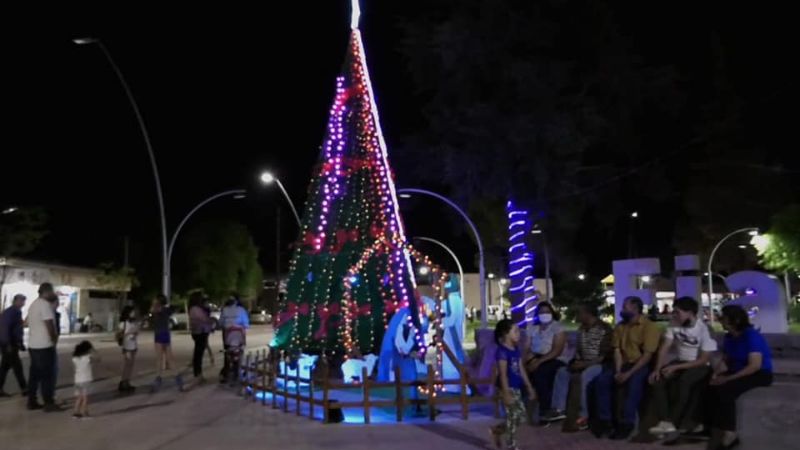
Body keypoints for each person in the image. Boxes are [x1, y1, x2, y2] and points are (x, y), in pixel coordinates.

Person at [592, 296, 660, 440]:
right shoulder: (620, 326)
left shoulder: (649, 327)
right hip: (623, 364)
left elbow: (647, 356)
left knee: (634, 385)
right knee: (602, 381)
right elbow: (617, 351)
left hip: (640, 364)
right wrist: (618, 371)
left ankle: (627, 424)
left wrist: (628, 374)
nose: (622, 310)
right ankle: (606, 421)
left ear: (635, 309)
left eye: (625, 307)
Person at [706, 305, 773, 450]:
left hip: (758, 373)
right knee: (709, 385)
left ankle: (730, 434)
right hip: (737, 370)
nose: (720, 321)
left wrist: (727, 379)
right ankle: (709, 426)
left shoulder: (751, 336)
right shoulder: (729, 337)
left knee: (726, 390)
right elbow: (726, 359)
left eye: (723, 318)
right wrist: (716, 374)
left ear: (735, 320)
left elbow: (754, 365)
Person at [648, 297, 717, 436]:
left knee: (684, 382)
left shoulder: (704, 329)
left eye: (677, 312)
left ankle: (673, 422)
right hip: (680, 362)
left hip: (699, 364)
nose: (674, 315)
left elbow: (703, 360)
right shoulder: (674, 324)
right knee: (657, 380)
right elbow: (664, 348)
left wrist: (675, 368)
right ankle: (665, 421)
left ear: (690, 313)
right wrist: (657, 369)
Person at [549, 303, 612, 430]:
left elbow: (605, 356)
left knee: (586, 375)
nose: (578, 316)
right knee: (562, 372)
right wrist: (575, 363)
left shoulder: (604, 329)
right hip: (583, 362)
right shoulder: (581, 329)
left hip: (599, 364)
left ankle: (584, 416)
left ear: (588, 314)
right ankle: (559, 409)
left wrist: (585, 364)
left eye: (580, 313)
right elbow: (578, 351)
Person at [490, 319, 536, 450]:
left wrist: (529, 386)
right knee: (512, 417)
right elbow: (503, 374)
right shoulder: (502, 352)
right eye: (515, 331)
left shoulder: (516, 349)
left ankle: (497, 430)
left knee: (521, 417)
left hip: (517, 388)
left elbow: (520, 368)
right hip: (507, 388)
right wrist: (505, 393)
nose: (518, 334)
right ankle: (511, 445)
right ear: (506, 334)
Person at [524, 302, 568, 419]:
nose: (545, 314)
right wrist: (528, 361)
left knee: (541, 372)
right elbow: (526, 348)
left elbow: (556, 351)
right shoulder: (532, 328)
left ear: (552, 313)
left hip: (554, 358)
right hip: (534, 357)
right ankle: (522, 408)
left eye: (547, 312)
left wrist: (538, 362)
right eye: (542, 312)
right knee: (520, 371)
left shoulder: (558, 328)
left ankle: (545, 410)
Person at [25, 283, 62, 412]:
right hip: (44, 345)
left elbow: (26, 322)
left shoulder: (33, 305)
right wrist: (54, 338)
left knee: (34, 375)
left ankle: (32, 401)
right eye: (52, 291)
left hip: (33, 345)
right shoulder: (45, 305)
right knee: (47, 375)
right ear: (46, 292)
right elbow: (49, 324)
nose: (53, 293)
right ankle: (49, 403)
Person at [0, 294, 28, 397]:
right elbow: (5, 328)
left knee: (4, 367)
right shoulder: (10, 312)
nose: (23, 303)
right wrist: (7, 344)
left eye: (24, 301)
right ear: (15, 301)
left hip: (12, 343)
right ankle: (24, 388)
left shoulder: (16, 312)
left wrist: (20, 343)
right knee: (17, 367)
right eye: (21, 301)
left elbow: (17, 329)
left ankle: (0, 388)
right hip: (9, 343)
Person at [219, 294, 250, 383]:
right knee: (239, 353)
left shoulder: (224, 310)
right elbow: (246, 324)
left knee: (228, 354)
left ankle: (226, 374)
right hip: (239, 335)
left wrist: (228, 325)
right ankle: (237, 373)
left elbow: (221, 323)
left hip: (227, 336)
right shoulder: (241, 310)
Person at [151, 295, 179, 389]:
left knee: (159, 358)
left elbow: (153, 311)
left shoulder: (157, 309)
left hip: (159, 334)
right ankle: (177, 378)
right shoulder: (166, 310)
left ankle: (158, 378)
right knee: (170, 357)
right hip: (166, 334)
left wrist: (154, 305)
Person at [188, 292, 213, 383]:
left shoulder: (197, 308)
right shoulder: (195, 309)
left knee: (198, 354)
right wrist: (210, 320)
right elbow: (204, 319)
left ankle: (198, 373)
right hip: (199, 332)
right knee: (198, 354)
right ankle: (198, 374)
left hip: (201, 332)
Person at [72, 340, 98, 419]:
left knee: (79, 397)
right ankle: (85, 413)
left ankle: (76, 412)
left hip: (77, 380)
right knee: (85, 397)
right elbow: (98, 359)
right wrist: (94, 351)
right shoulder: (88, 358)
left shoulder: (75, 358)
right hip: (86, 379)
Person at [118, 306, 139, 393]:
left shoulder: (133, 323)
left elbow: (136, 333)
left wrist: (135, 332)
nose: (133, 314)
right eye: (132, 312)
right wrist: (129, 333)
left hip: (133, 345)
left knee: (130, 366)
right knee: (127, 365)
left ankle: (127, 382)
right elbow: (120, 335)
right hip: (127, 347)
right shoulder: (123, 324)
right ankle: (123, 383)